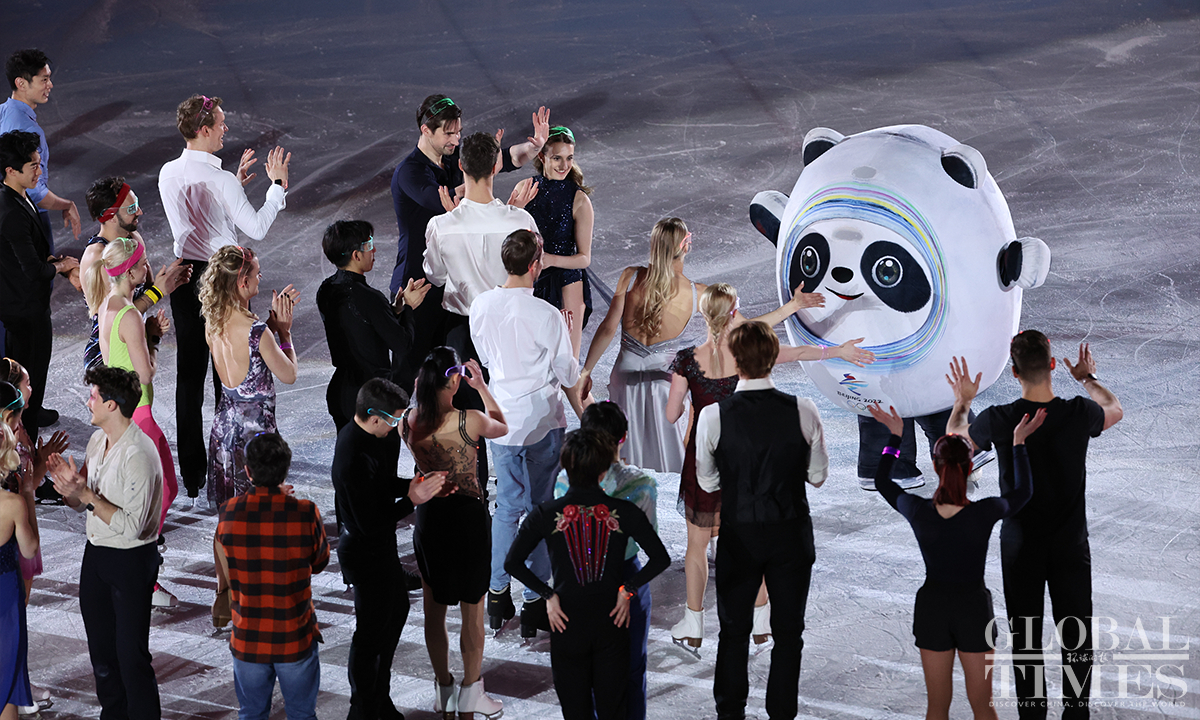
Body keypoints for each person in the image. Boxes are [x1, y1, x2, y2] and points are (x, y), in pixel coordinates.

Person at [664, 283, 870, 652]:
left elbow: (670, 414)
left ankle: (693, 624)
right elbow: (796, 352)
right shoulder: (748, 354)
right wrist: (838, 351)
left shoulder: (686, 360)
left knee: (696, 546)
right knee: (749, 542)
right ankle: (761, 623)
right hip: (744, 460)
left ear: (702, 314)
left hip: (702, 458)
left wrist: (689, 405)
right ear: (733, 312)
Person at [946, 332, 1123, 719]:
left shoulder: (999, 419)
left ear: (1014, 372)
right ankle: (1076, 713)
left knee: (1025, 637)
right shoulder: (1079, 412)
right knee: (1076, 635)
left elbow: (954, 440)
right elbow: (1114, 409)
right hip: (1070, 544)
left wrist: (963, 401)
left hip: (1020, 545)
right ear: (1053, 365)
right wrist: (1088, 379)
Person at [580, 218, 815, 472]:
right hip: (663, 387)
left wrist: (586, 371)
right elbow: (747, 328)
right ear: (685, 245)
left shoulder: (631, 276)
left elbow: (608, 328)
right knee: (669, 465)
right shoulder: (699, 293)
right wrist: (793, 305)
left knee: (623, 458)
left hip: (623, 378)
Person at [869, 402, 1043, 719]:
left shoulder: (917, 511)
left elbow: (882, 482)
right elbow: (1024, 491)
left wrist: (895, 437)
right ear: (969, 466)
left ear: (935, 466)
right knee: (983, 705)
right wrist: (1018, 444)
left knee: (937, 706)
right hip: (973, 609)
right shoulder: (985, 512)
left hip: (932, 608)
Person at [159, 94, 293, 498]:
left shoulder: (169, 172)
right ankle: (235, 458)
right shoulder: (220, 181)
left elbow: (200, 214)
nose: (225, 128)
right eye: (220, 123)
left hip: (185, 278)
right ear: (204, 130)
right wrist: (276, 187)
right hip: (222, 278)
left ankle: (193, 474)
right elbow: (256, 229)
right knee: (229, 373)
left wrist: (231, 188)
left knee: (189, 375)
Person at [694, 321, 828, 720]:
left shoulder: (714, 415)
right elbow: (817, 476)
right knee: (789, 635)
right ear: (773, 359)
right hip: (790, 534)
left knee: (733, 632)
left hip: (740, 535)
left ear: (736, 361)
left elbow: (708, 481)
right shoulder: (803, 409)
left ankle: (730, 713)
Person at [505, 428, 670, 720]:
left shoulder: (545, 514)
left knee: (576, 713)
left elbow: (512, 563)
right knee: (613, 712)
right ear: (604, 470)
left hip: (566, 624)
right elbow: (660, 558)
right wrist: (628, 589)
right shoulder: (623, 511)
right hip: (612, 624)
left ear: (565, 467)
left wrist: (547, 595)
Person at [389, 94, 548, 388]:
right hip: (417, 285)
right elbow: (442, 199)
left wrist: (533, 147)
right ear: (426, 130)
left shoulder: (452, 158)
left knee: (449, 378)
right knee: (410, 373)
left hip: (451, 284)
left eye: (459, 132)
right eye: (449, 133)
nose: (456, 138)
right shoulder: (410, 172)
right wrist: (492, 191)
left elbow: (504, 158)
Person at [469, 230, 579, 638]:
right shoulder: (547, 315)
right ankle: (535, 599)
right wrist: (569, 337)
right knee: (541, 509)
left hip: (501, 419)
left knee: (507, 507)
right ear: (535, 265)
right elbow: (568, 374)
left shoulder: (480, 305)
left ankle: (497, 593)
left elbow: (486, 357)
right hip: (541, 422)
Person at [47, 366, 164, 720]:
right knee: (102, 654)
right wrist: (69, 489)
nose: (88, 402)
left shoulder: (139, 454)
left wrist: (84, 494)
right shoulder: (98, 441)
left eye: (94, 396)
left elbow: (132, 527)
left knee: (130, 656)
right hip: (96, 556)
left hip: (131, 561)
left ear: (112, 405)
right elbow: (82, 502)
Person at [425, 131, 539, 486]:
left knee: (467, 417)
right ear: (496, 166)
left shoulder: (441, 226)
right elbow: (534, 272)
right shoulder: (521, 222)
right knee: (511, 407)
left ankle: (475, 491)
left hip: (463, 331)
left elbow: (435, 276)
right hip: (510, 329)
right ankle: (517, 489)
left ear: (460, 166)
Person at [399, 352, 509, 719]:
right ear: (456, 380)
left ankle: (443, 692)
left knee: (434, 610)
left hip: (430, 519)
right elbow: (502, 426)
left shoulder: (407, 422)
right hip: (467, 521)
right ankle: (471, 694)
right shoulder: (469, 420)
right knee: (472, 612)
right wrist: (483, 388)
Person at [333, 377, 449, 720]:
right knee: (371, 635)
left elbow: (379, 485)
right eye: (394, 419)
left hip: (379, 550)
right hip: (363, 552)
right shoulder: (352, 455)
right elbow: (369, 522)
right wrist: (411, 500)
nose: (397, 426)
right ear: (373, 417)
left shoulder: (370, 437)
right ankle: (363, 708)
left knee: (395, 613)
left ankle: (379, 699)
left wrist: (410, 485)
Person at [85, 235, 181, 607]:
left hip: (132, 413)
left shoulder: (109, 304)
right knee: (162, 491)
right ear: (131, 272)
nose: (147, 268)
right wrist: (152, 338)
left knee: (161, 489)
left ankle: (141, 564)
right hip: (138, 412)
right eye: (142, 264)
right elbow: (145, 373)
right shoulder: (129, 316)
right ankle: (143, 572)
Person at [552, 402, 657, 720]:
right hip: (626, 581)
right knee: (631, 672)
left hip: (576, 583)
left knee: (584, 677)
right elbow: (649, 542)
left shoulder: (564, 481)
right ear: (622, 437)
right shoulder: (641, 484)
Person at [214, 432, 329, 720]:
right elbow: (320, 562)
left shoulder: (228, 513)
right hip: (294, 636)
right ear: (285, 469)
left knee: (252, 713)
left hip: (248, 638)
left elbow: (226, 558)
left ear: (248, 471)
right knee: (302, 715)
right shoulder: (306, 513)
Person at [199, 245, 299, 507]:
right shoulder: (257, 332)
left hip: (225, 430)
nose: (260, 278)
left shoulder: (213, 321)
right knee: (262, 510)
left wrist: (271, 324)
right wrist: (284, 333)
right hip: (255, 438)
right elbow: (289, 374)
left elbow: (249, 349)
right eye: (257, 273)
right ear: (243, 281)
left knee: (235, 511)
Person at [0, 130, 79, 438]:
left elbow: (33, 254)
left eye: (39, 162)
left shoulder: (20, 196)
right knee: (27, 392)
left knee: (27, 389)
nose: (39, 170)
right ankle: (26, 455)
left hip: (24, 308)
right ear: (11, 170)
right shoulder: (11, 212)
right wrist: (62, 266)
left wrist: (59, 265)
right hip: (26, 313)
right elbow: (34, 270)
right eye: (32, 165)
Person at [317, 220, 430, 432]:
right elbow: (402, 344)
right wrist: (408, 308)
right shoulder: (369, 297)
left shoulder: (325, 290)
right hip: (372, 399)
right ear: (356, 255)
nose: (374, 249)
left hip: (340, 392)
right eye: (369, 244)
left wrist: (394, 309)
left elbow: (360, 324)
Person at [80, 176, 190, 372]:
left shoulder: (133, 238)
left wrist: (167, 280)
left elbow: (146, 287)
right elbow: (113, 319)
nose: (140, 211)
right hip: (108, 358)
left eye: (136, 204)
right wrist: (158, 291)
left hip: (133, 338)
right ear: (111, 216)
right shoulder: (96, 256)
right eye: (132, 209)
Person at [0, 49, 81, 252]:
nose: (50, 85)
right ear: (21, 83)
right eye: (44, 80)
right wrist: (66, 204)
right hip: (27, 217)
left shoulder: (3, 111)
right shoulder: (26, 130)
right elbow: (33, 191)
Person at [0, 420, 38, 720]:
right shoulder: (13, 504)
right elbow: (29, 549)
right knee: (6, 683)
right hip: (5, 599)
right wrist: (27, 492)